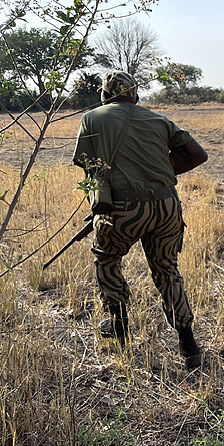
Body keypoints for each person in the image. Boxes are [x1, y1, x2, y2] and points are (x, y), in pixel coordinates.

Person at [73, 71, 208, 368]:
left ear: (104, 94)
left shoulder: (92, 119)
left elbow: (89, 167)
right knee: (167, 271)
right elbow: (198, 154)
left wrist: (100, 206)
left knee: (107, 258)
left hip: (122, 208)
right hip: (167, 206)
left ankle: (119, 324)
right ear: (134, 93)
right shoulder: (159, 119)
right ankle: (190, 347)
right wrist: (161, 172)